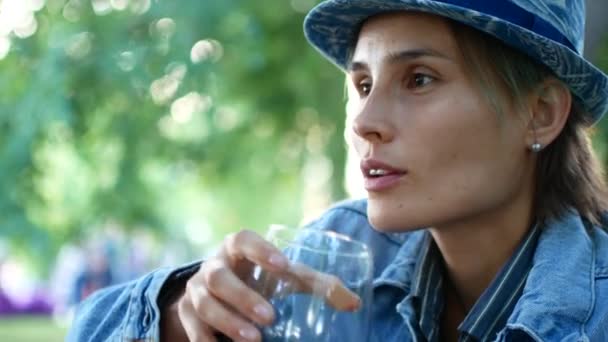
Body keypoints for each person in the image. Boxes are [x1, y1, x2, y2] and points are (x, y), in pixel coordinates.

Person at [67, 0, 608, 341]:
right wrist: (179, 317)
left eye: (419, 79)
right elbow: (88, 326)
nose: (364, 123)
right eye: (363, 85)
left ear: (540, 114)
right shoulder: (344, 249)